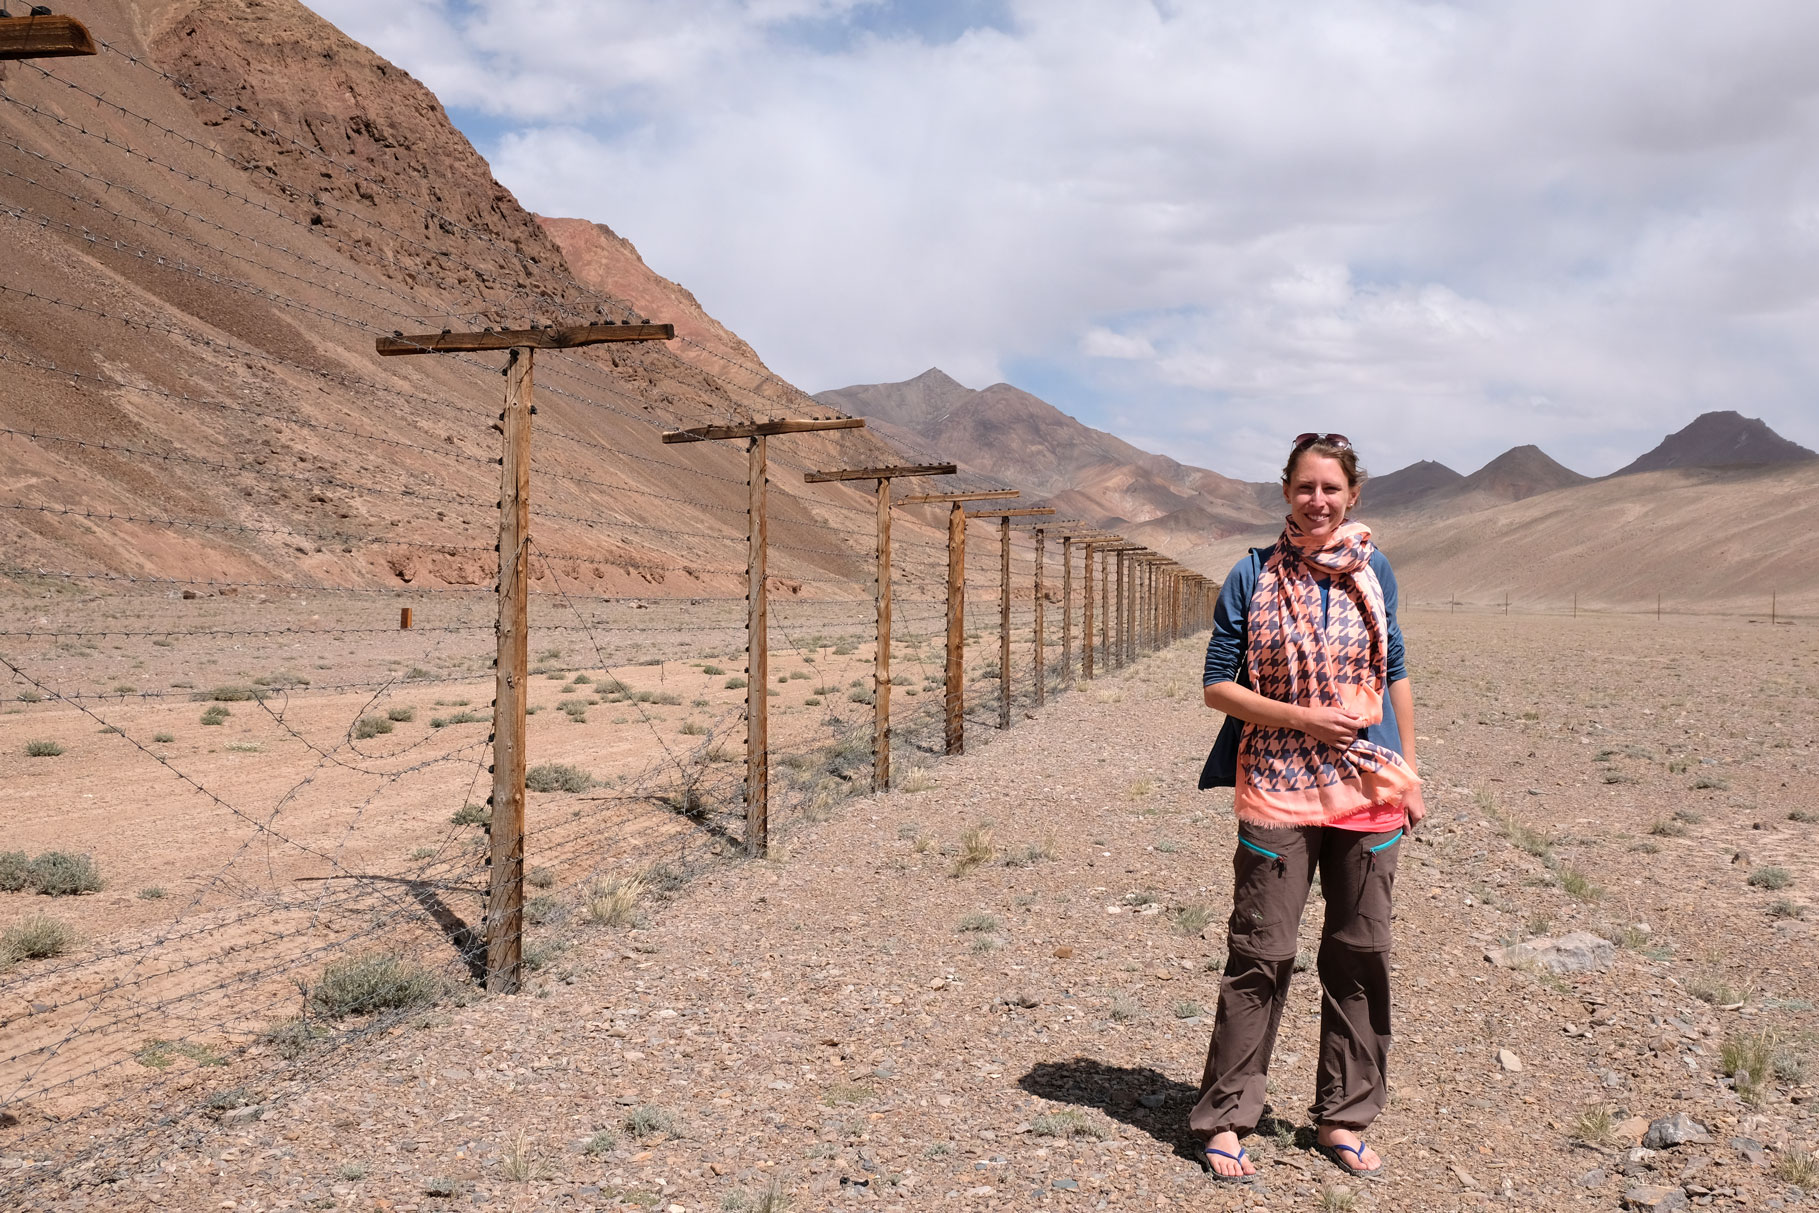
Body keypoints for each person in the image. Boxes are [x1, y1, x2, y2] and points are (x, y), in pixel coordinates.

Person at [1188, 433, 1426, 1183]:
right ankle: (1226, 1118)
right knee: (1260, 953)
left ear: (1352, 493)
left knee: (1359, 954)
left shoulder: (1374, 568)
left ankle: (1343, 1116)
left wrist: (1410, 769)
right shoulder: (1251, 573)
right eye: (1303, 487)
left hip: (1366, 790)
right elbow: (1216, 686)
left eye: (1330, 487)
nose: (1316, 500)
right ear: (1285, 492)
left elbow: (1395, 674)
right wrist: (1299, 719)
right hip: (1275, 787)